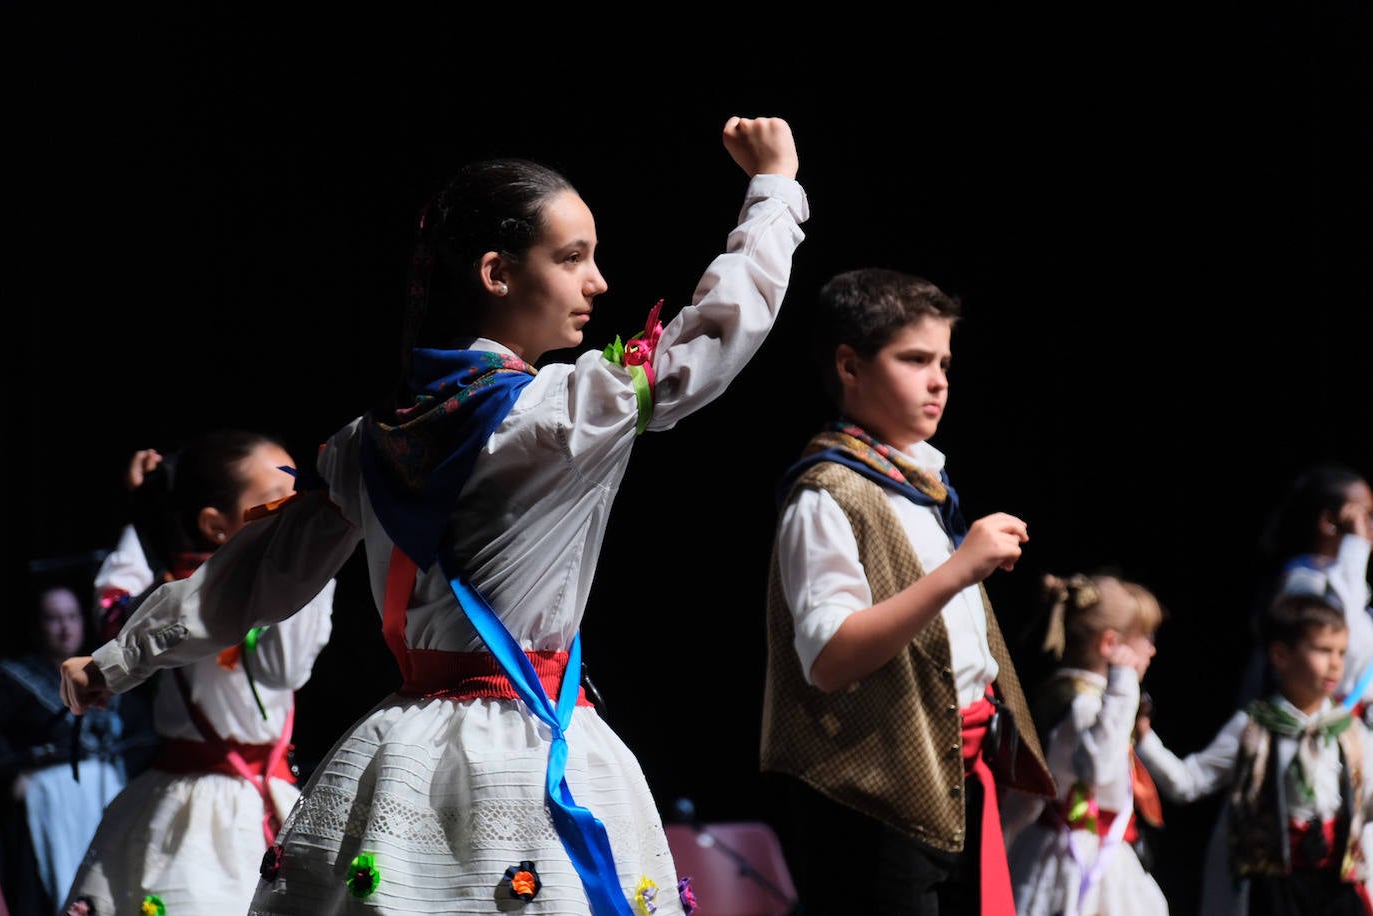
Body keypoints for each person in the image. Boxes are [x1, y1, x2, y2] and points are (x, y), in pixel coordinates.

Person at [60, 115, 808, 915]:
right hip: (529, 746)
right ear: (495, 272)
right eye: (572, 257)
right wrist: (774, 192)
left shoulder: (367, 442)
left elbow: (241, 587)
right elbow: (717, 332)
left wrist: (111, 663)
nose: (599, 282)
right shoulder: (563, 416)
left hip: (407, 753)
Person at [759, 267, 1056, 915]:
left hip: (950, 776)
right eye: (914, 359)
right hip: (877, 794)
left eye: (944, 361)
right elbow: (831, 657)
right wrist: (959, 569)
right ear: (850, 366)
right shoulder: (829, 492)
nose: (939, 379)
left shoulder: (917, 484)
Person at [62, 430, 336, 916]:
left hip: (268, 793)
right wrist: (310, 562)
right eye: (279, 500)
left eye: (301, 493)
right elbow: (282, 669)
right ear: (215, 525)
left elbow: (115, 591)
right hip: (197, 809)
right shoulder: (192, 601)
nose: (299, 510)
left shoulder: (216, 593)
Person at [1137, 592, 1373, 915]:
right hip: (1277, 887)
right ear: (1280, 656)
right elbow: (1188, 783)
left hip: (1337, 885)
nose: (1335, 663)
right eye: (1322, 650)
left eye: (1341, 653)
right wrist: (1144, 739)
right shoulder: (1253, 727)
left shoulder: (1350, 731)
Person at [1005, 572, 1169, 915]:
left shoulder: (1085, 696)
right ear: (1111, 645)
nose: (1151, 649)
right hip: (1075, 855)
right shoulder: (1083, 703)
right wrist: (1123, 688)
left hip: (1095, 847)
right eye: (1145, 637)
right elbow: (1096, 767)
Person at [0, 584, 131, 916]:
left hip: (103, 795)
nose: (65, 627)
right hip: (45, 803)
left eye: (72, 617)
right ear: (37, 626)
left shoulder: (107, 672)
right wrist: (14, 775)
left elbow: (142, 735)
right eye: (53, 619)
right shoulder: (13, 678)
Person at [1238, 462, 1373, 708]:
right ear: (1329, 521)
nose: (1369, 527)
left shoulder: (1344, 581)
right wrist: (1356, 547)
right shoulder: (1302, 582)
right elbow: (1342, 632)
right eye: (1365, 516)